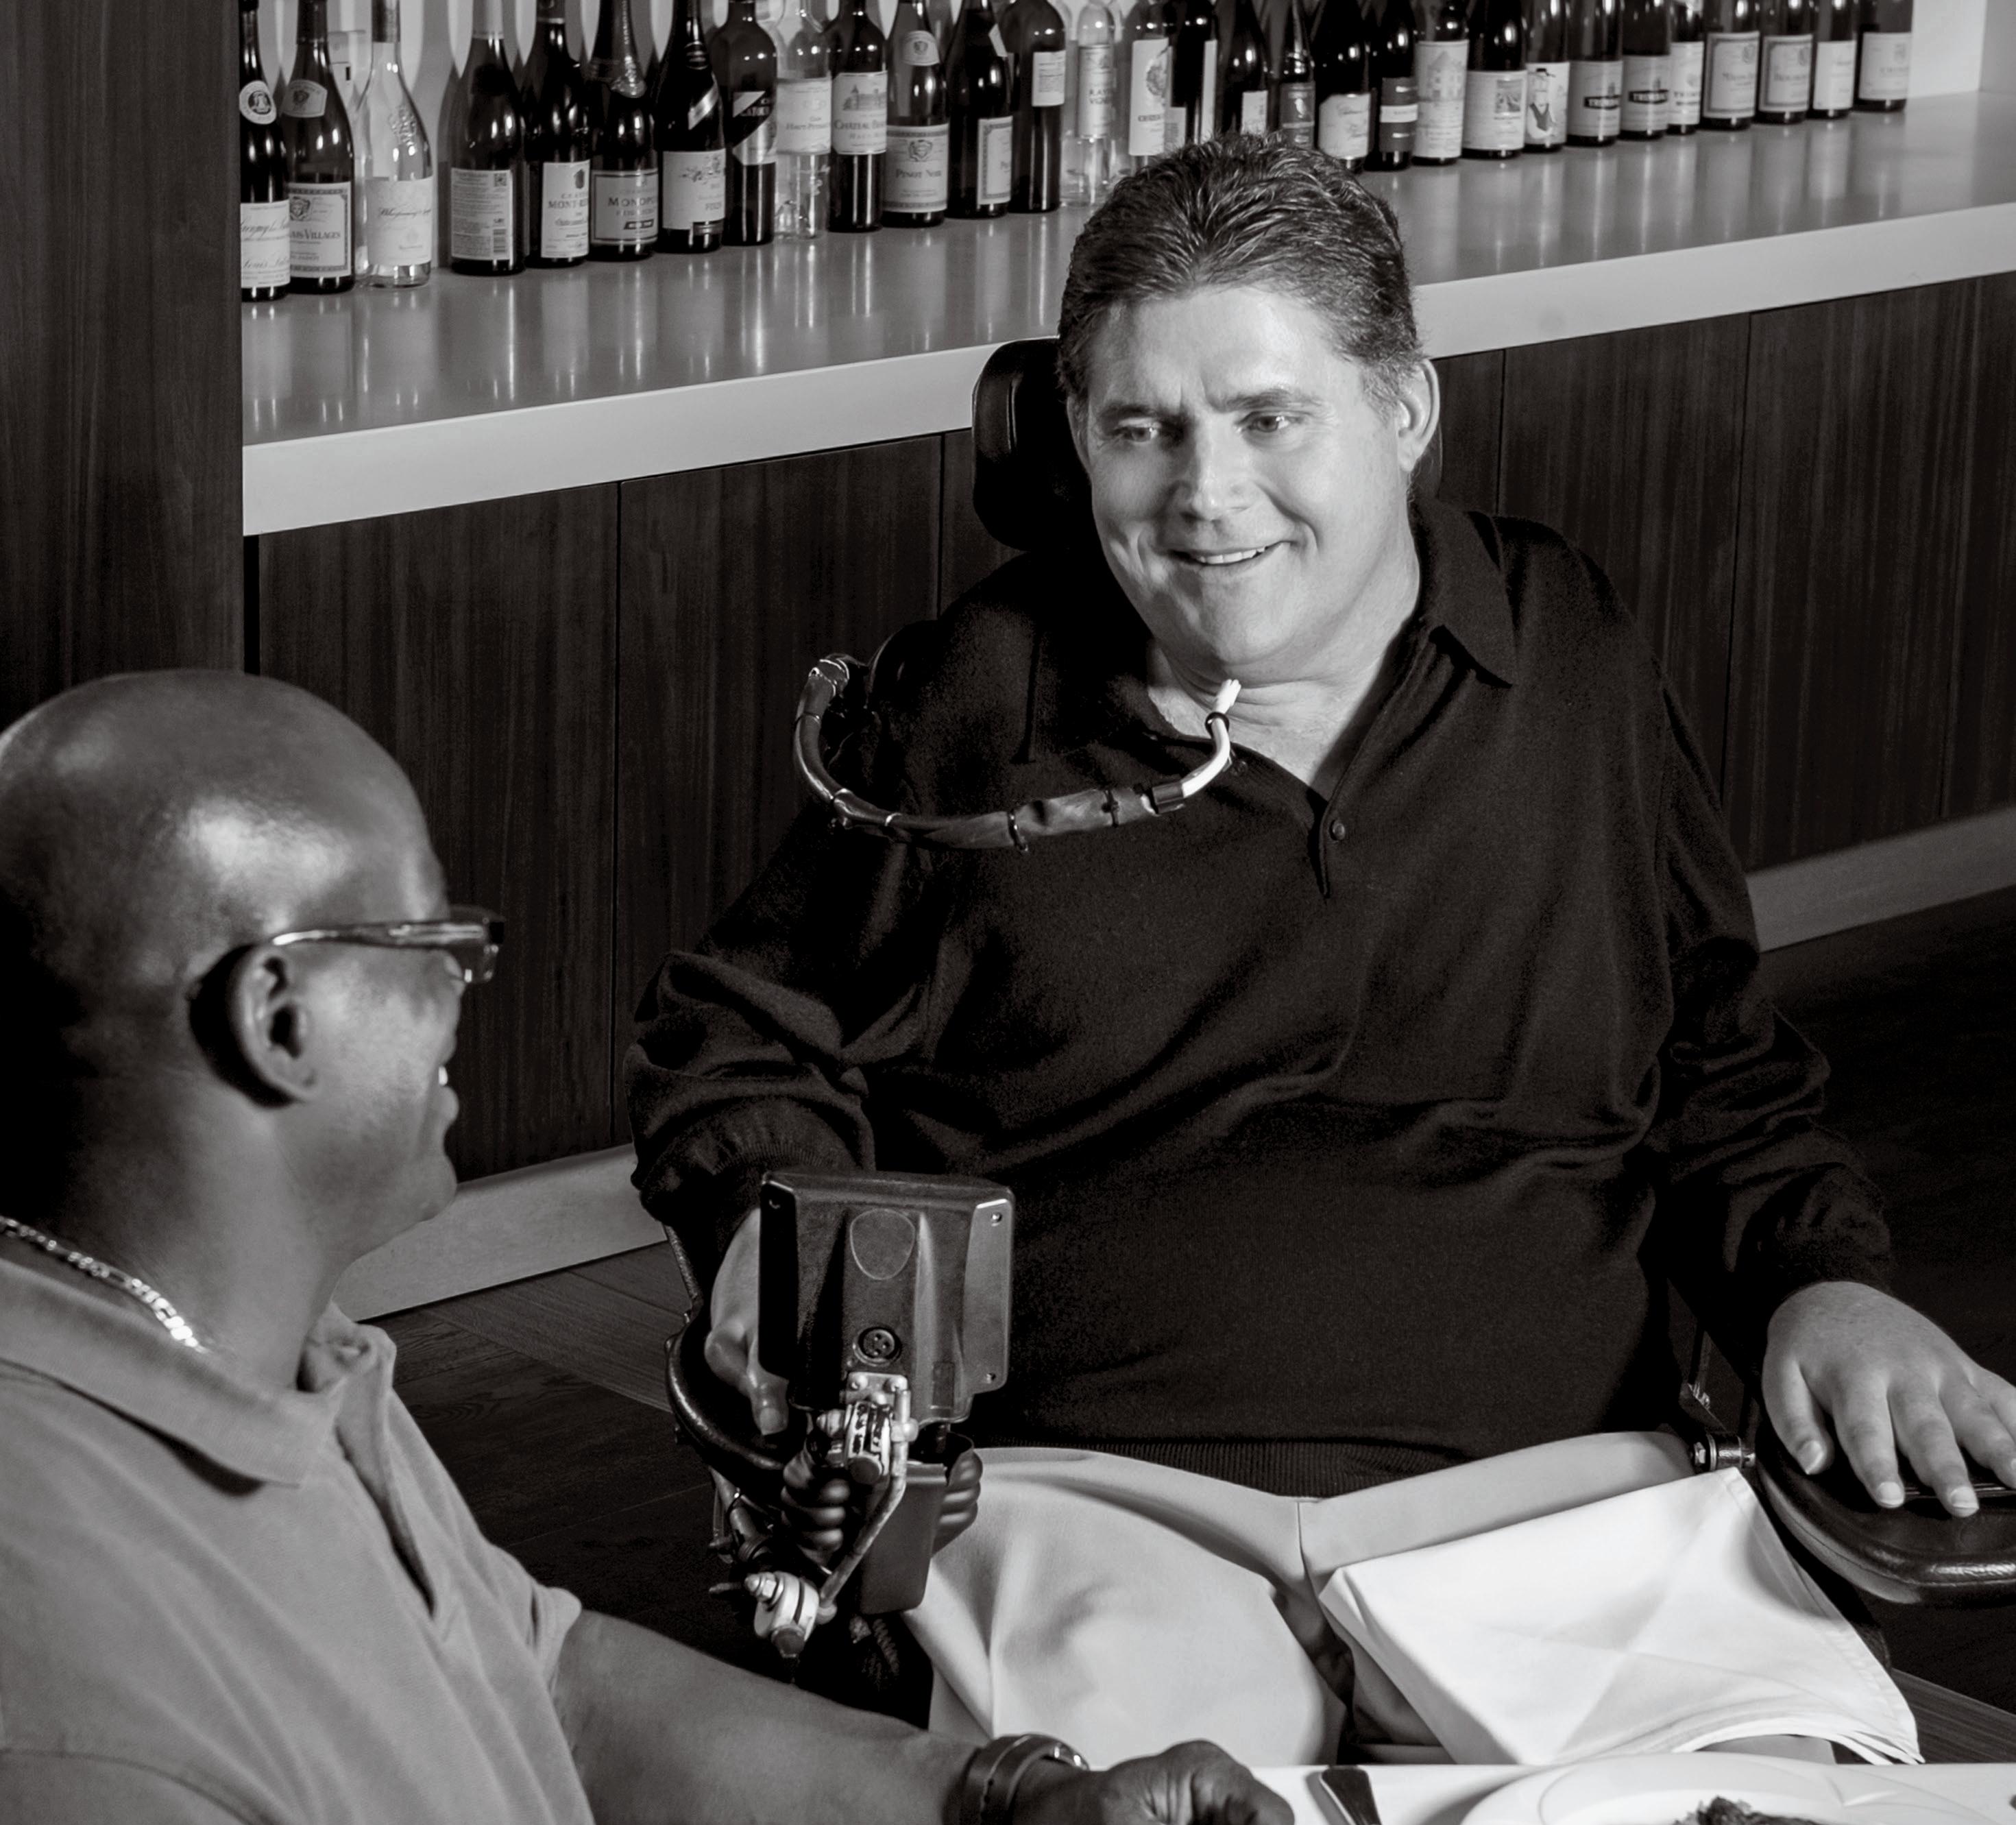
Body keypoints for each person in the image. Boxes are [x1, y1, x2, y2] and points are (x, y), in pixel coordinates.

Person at [0, 668, 1297, 1825]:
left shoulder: (257, 1351)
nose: (467, 991)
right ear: (281, 1015)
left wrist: (1010, 1803)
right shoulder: (72, 1706)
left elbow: (550, 1689)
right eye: (438, 947)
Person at [630, 138, 2016, 1530]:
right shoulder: (977, 700)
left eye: (1268, 418)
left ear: (1403, 407)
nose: (1206, 492)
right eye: (1141, 429)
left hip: (1566, 1500)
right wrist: (766, 1221)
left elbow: (1712, 1060)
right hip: (1096, 1508)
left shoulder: (1563, 644)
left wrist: (1820, 1282)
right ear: (1073, 440)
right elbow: (737, 1034)